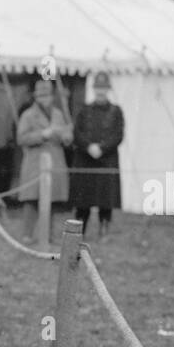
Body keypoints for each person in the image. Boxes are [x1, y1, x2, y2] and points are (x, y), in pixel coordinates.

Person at [15, 78, 73, 243]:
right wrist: (43, 134)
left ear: (52, 96)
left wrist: (65, 135)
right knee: (31, 199)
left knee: (52, 199)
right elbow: (21, 138)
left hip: (55, 161)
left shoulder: (58, 114)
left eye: (47, 96)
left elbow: (68, 137)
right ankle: (27, 234)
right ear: (35, 97)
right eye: (40, 96)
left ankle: (48, 234)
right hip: (35, 161)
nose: (44, 99)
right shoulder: (27, 115)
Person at [70, 71, 124, 238]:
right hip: (85, 160)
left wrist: (102, 148)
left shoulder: (116, 111)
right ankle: (80, 230)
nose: (101, 91)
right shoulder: (84, 110)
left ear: (108, 90)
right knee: (83, 199)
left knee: (105, 198)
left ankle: (104, 229)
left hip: (106, 160)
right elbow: (77, 132)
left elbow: (118, 134)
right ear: (94, 89)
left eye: (104, 88)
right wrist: (88, 147)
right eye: (98, 88)